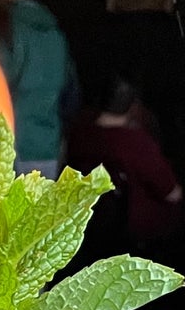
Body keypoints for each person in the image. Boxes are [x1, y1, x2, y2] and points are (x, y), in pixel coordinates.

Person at [67, 73, 183, 251]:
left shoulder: (79, 134)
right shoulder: (136, 143)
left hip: (87, 219)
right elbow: (170, 193)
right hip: (134, 227)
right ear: (133, 106)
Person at [0, 0, 78, 178]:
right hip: (48, 145)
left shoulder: (0, 28)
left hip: (9, 147)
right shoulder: (54, 31)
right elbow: (71, 94)